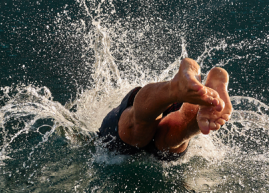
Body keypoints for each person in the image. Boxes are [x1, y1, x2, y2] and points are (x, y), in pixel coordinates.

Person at [97, 58, 232, 160]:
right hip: (169, 108)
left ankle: (175, 90)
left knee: (136, 127)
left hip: (146, 105)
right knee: (178, 133)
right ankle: (205, 97)